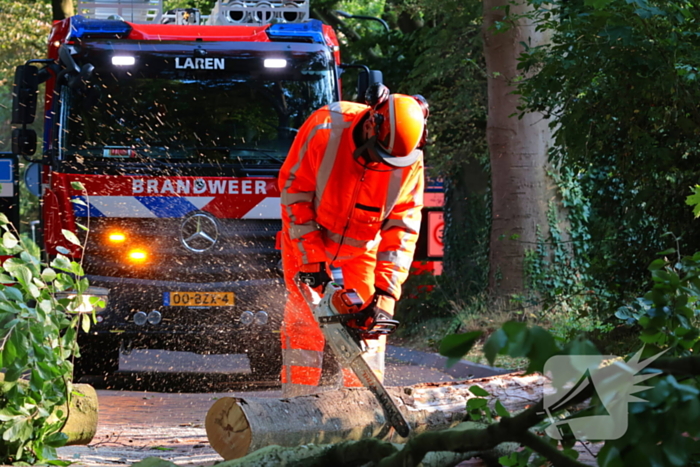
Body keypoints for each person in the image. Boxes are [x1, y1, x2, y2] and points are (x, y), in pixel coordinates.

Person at [278, 84, 428, 396]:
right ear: (372, 124)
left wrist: (386, 293)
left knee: (371, 325)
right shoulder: (325, 128)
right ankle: (296, 401)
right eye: (382, 155)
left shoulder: (410, 161)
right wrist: (312, 261)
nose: (385, 165)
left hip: (364, 243)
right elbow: (294, 194)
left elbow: (403, 228)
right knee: (306, 318)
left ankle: (364, 403)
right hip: (309, 233)